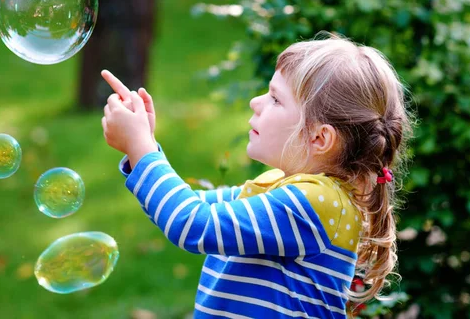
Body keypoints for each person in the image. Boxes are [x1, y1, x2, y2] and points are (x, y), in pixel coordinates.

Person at [101, 33, 414, 318]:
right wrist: (141, 145)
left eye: (276, 99)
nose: (256, 102)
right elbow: (187, 206)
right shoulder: (280, 186)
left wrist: (141, 147)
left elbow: (194, 224)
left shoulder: (318, 203)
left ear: (320, 138)